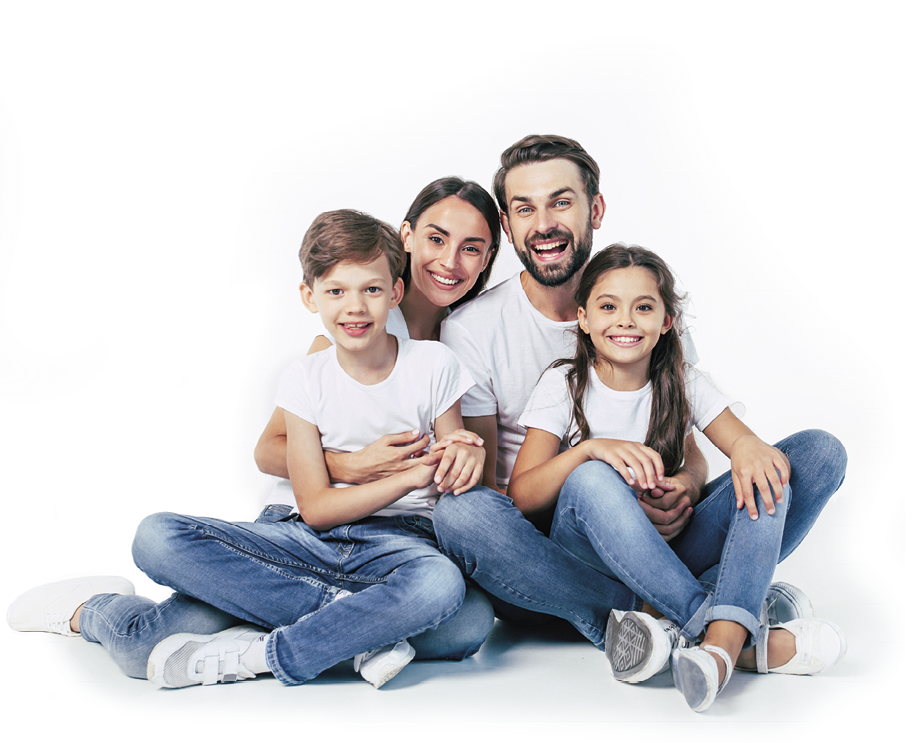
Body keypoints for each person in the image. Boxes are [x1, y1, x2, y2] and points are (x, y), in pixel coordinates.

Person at [8, 209, 489, 689]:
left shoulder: (434, 364)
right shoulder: (305, 377)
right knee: (153, 543)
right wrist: (403, 477)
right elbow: (317, 509)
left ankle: (264, 649)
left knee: (459, 610)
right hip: (299, 539)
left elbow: (449, 467)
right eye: (336, 291)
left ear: (395, 292)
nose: (356, 307)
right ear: (309, 296)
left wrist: (464, 455)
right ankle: (93, 608)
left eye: (371, 290)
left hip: (398, 545)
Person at [432, 135, 847, 666]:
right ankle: (710, 621)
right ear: (508, 227)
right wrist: (594, 467)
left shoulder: (641, 299)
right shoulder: (475, 330)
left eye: (561, 201)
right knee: (462, 514)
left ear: (595, 209)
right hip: (560, 557)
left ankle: (673, 615)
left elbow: (688, 436)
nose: (543, 223)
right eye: (524, 208)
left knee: (814, 455)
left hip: (663, 531)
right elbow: (496, 489)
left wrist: (686, 485)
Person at [509, 243, 846, 712]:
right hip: (594, 558)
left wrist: (704, 474)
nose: (625, 321)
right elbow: (522, 496)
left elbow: (748, 451)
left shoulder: (682, 381)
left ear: (666, 322)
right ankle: (728, 634)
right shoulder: (565, 384)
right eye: (608, 307)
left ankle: (704, 641)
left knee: (808, 456)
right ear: (582, 318)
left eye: (643, 307)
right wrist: (588, 450)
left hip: (671, 549)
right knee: (591, 479)